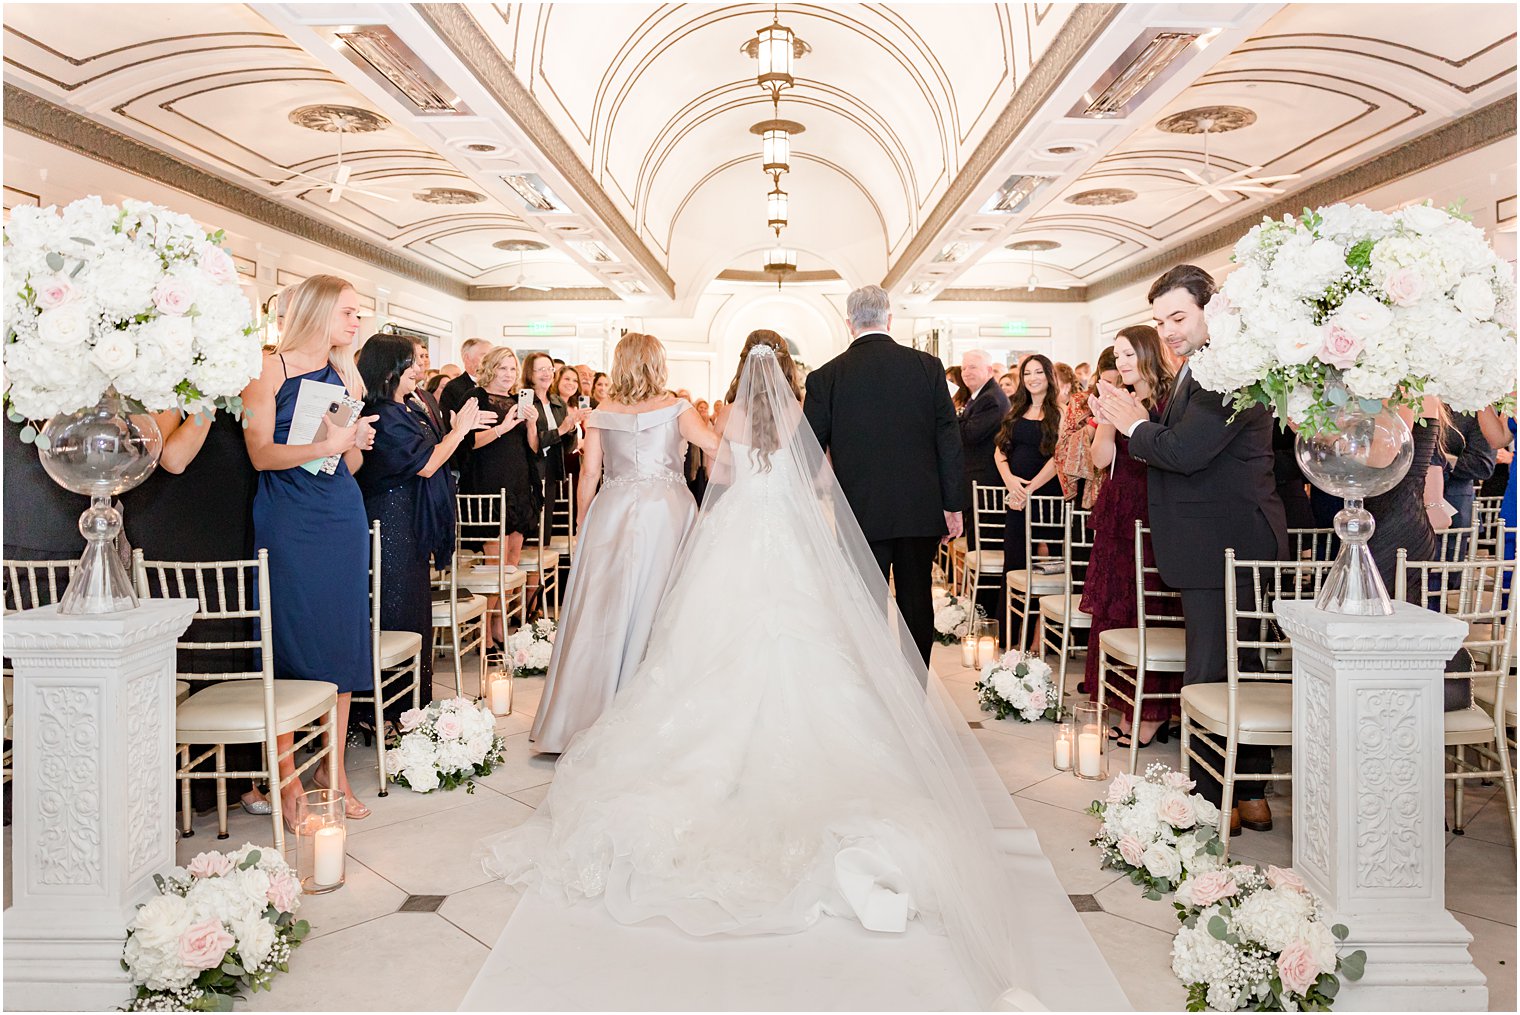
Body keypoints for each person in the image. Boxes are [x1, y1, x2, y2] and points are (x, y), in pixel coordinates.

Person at [478, 338, 1039, 1010]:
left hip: (736, 538)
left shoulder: (728, 415)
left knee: (703, 650)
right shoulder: (798, 416)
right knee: (806, 648)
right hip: (788, 543)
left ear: (742, 375)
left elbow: (718, 478)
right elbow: (816, 481)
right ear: (789, 377)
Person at [1090, 264, 1286, 835]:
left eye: (1178, 316)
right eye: (1160, 319)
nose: (1168, 330)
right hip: (1216, 541)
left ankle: (1206, 804)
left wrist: (1134, 426)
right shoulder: (1202, 368)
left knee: (1211, 677)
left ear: (1211, 310)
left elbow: (1186, 451)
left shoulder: (1227, 370)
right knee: (1232, 666)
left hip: (1227, 540)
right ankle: (1246, 794)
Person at [530, 332, 719, 753]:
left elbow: (589, 475)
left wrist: (582, 524)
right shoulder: (677, 408)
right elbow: (714, 447)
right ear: (657, 364)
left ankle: (584, 717)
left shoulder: (602, 411)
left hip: (612, 513)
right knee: (662, 605)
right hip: (666, 513)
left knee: (606, 607)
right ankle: (654, 714)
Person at [241, 274, 378, 823]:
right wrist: (327, 441)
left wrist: (354, 444)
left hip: (340, 512)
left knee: (342, 636)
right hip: (290, 518)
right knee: (291, 635)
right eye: (348, 311)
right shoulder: (267, 368)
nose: (356, 321)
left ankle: (334, 767)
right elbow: (260, 455)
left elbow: (349, 466)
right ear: (319, 311)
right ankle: (287, 778)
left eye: (358, 313)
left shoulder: (343, 374)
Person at [803, 285, 965, 669]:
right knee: (916, 600)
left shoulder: (826, 376)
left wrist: (800, 500)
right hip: (919, 508)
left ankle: (873, 691)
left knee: (864, 603)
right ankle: (915, 691)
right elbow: (949, 438)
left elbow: (807, 448)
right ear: (889, 319)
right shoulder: (927, 367)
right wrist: (952, 504)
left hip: (858, 512)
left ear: (849, 323)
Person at [123, 399, 264, 815]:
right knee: (197, 642)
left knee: (235, 645)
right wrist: (206, 397)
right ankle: (189, 784)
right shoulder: (166, 388)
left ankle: (240, 777)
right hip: (180, 524)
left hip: (230, 518)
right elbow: (172, 458)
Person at [356, 334, 484, 713]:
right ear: (389, 369)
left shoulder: (408, 406)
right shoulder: (381, 414)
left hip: (411, 521)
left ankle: (412, 703)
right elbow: (427, 463)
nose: (418, 369)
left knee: (413, 613)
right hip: (391, 523)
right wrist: (459, 431)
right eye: (409, 363)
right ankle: (386, 710)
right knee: (395, 612)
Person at [1080, 326, 1176, 744]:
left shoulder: (1170, 398)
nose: (1121, 363)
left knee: (1151, 607)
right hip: (1120, 506)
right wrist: (1103, 422)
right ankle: (1123, 701)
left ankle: (1155, 710)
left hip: (1157, 505)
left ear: (1147, 353)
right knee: (1116, 607)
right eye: (1116, 356)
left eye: (1128, 354)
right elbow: (1101, 459)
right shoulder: (1118, 397)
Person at [459, 347, 540, 645]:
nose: (508, 374)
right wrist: (504, 428)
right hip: (488, 485)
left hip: (518, 484)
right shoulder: (474, 397)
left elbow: (532, 449)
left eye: (512, 369)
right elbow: (467, 444)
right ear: (491, 368)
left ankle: (500, 624)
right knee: (494, 565)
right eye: (503, 368)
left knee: (511, 564)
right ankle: (488, 633)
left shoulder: (519, 400)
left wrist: (531, 425)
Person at [994, 354, 1063, 588]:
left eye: (1038, 372)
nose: (1032, 378)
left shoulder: (1060, 412)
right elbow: (999, 451)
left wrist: (1029, 489)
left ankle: (1041, 622)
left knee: (1048, 563)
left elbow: (1059, 458)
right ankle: (1011, 624)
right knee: (1014, 560)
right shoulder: (1015, 411)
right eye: (1027, 373)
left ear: (1049, 376)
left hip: (1046, 496)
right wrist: (1011, 482)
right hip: (1016, 497)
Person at [958, 349, 1010, 552]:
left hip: (985, 481)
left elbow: (969, 434)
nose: (966, 372)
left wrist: (956, 419)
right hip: (976, 481)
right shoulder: (979, 396)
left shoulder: (991, 399)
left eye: (972, 367)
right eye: (963, 368)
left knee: (983, 545)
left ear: (989, 370)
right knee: (975, 543)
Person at [1054, 346, 1117, 510]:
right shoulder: (1081, 402)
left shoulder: (1138, 401)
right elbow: (1063, 450)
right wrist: (1095, 423)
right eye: (1108, 383)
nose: (1113, 389)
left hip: (1125, 484)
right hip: (1086, 488)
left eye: (1121, 382)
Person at [524, 351, 589, 496]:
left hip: (553, 470)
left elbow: (567, 447)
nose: (547, 374)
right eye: (541, 369)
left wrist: (571, 427)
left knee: (548, 518)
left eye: (550, 369)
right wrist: (560, 430)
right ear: (530, 373)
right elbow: (529, 444)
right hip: (530, 472)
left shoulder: (557, 402)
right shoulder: (524, 402)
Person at [1441, 406, 1497, 552]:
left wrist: (1437, 459)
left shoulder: (1474, 406)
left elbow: (1483, 465)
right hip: (1402, 509)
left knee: (1445, 573)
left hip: (1453, 509)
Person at [440, 337, 492, 419]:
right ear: (467, 358)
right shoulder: (453, 388)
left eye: (492, 356)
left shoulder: (498, 385)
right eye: (485, 356)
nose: (491, 360)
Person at [553, 364, 587, 481]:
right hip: (560, 465)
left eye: (575, 380)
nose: (571, 383)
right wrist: (579, 443)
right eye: (567, 379)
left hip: (577, 463)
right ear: (557, 381)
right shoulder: (552, 406)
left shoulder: (575, 407)